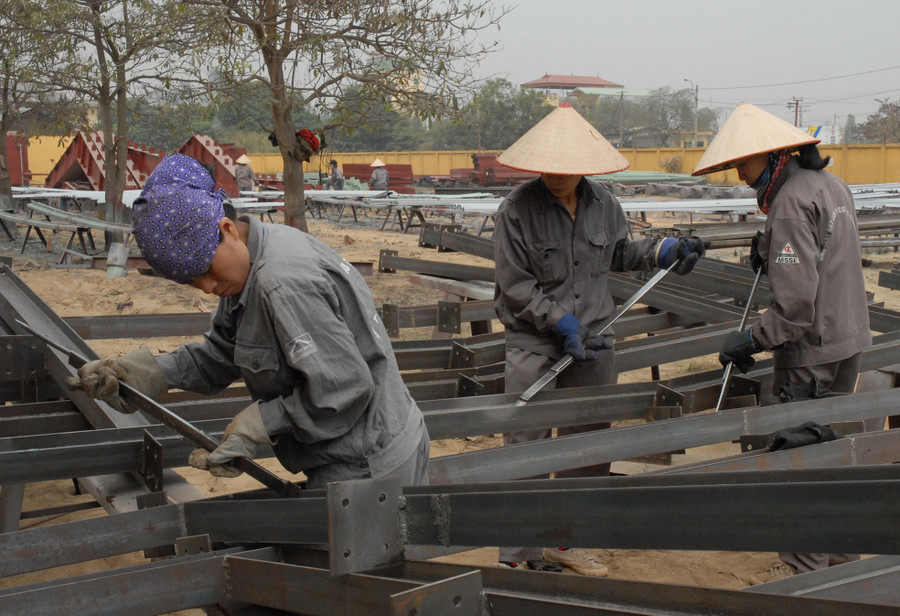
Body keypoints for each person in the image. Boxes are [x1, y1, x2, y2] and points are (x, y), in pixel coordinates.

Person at [67, 154, 430, 490]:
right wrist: (144, 373)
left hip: (371, 463)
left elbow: (345, 387)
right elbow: (224, 353)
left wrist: (261, 423)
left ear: (226, 228)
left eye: (207, 271)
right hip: (362, 449)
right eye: (194, 281)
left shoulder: (281, 284)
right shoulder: (251, 260)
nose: (208, 288)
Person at [492, 103, 706, 575]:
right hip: (534, 344)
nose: (558, 176)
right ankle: (519, 553)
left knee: (586, 445)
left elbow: (621, 252)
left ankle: (567, 543)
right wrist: (559, 322)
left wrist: (664, 249)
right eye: (550, 166)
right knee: (526, 443)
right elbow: (515, 284)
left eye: (568, 168)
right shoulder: (517, 210)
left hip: (593, 342)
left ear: (586, 166)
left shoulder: (605, 204)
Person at [693, 102, 872, 578]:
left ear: (773, 156)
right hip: (849, 337)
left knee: (800, 462)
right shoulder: (832, 186)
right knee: (833, 456)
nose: (738, 173)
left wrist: (751, 338)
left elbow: (794, 311)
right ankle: (841, 569)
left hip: (812, 350)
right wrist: (771, 253)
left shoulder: (791, 202)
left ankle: (807, 578)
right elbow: (825, 259)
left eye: (743, 162)